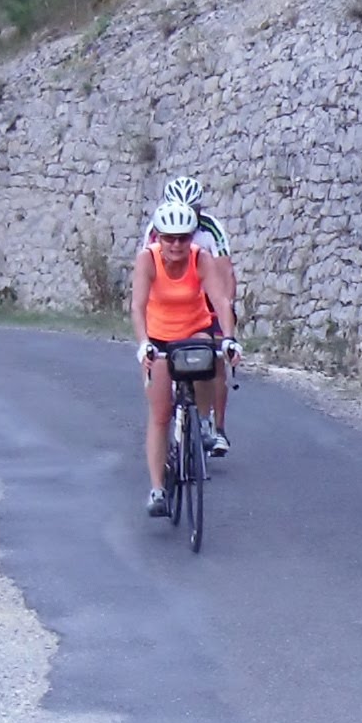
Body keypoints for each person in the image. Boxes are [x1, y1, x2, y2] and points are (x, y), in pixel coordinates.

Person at [131, 201, 240, 517]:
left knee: (207, 356)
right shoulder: (147, 259)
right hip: (159, 338)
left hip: (194, 331)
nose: (176, 244)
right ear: (159, 237)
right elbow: (137, 306)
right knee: (160, 414)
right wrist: (144, 344)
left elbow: (221, 300)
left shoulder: (200, 258)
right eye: (169, 238)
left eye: (183, 237)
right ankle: (157, 489)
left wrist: (229, 338)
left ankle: (204, 422)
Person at [139, 175, 239, 451]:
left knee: (215, 357)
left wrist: (226, 310)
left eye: (192, 211)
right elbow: (148, 271)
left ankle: (216, 427)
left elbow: (225, 271)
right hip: (170, 299)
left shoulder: (210, 228)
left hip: (207, 294)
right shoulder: (157, 228)